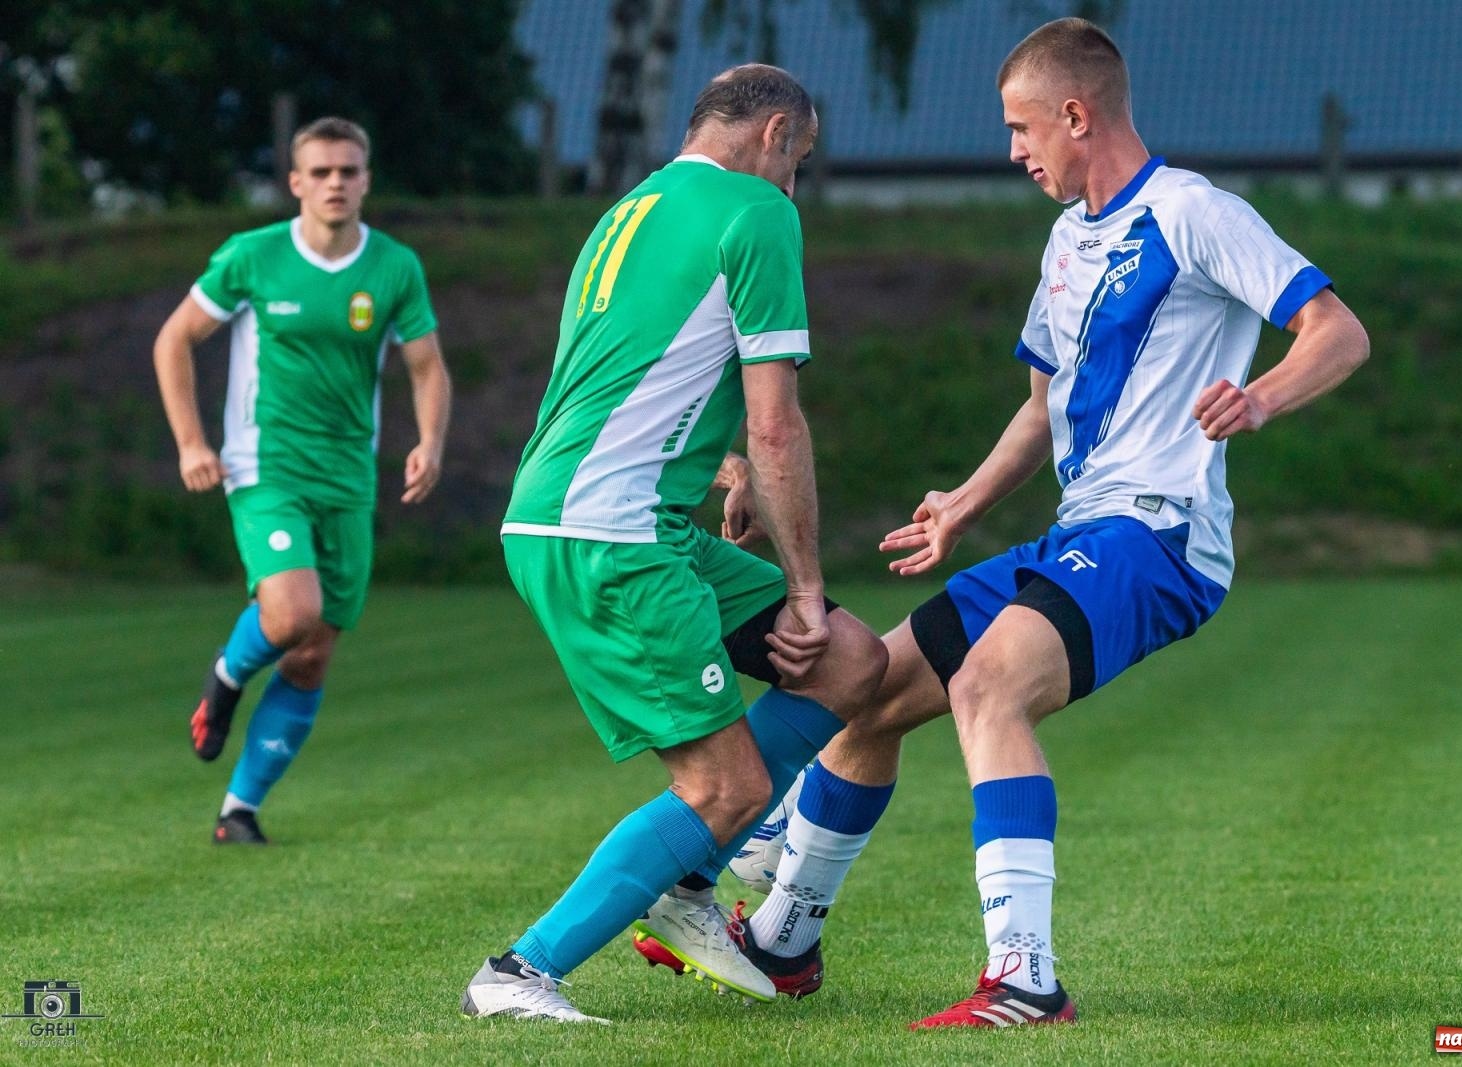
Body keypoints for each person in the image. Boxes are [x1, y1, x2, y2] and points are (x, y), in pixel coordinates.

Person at [726, 18, 1371, 1029]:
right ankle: (780, 940)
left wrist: (1263, 397)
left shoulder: (1192, 212)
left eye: (1021, 129)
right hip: (1083, 528)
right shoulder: (1067, 238)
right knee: (875, 697)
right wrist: (962, 504)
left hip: (1158, 534)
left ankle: (1024, 977)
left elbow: (1337, 330)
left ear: (1076, 115)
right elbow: (1040, 407)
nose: (1013, 151)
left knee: (988, 684)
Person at [458, 64, 888, 1025]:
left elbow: (632, 383)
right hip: (611, 535)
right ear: (776, 132)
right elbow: (779, 423)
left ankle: (686, 884)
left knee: (853, 666)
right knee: (727, 785)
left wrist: (725, 474)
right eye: (802, 161)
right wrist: (804, 581)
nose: (796, 184)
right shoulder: (758, 211)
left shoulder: (628, 209)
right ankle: (520, 970)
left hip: (610, 513)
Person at [153, 116, 452, 846]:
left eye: (348, 171)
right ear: (295, 182)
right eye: (320, 172)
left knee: (313, 650)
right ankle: (225, 678)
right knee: (289, 612)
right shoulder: (252, 257)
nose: (335, 184)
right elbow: (175, 339)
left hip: (348, 477)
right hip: (266, 465)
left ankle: (238, 810)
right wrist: (192, 442)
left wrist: (431, 441)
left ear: (366, 180)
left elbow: (426, 366)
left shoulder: (393, 267)